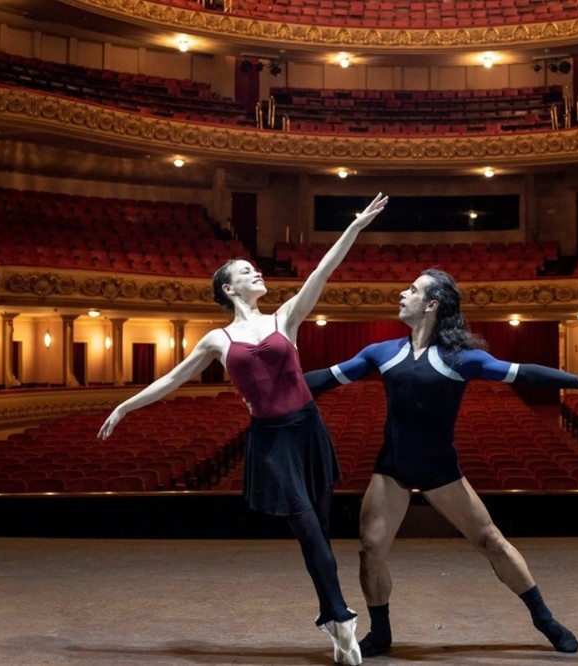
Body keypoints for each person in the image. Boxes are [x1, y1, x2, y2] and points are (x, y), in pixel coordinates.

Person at [98, 192, 389, 666]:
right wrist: (126, 406)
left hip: (307, 431)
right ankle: (339, 614)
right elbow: (173, 378)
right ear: (229, 289)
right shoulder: (219, 338)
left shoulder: (284, 318)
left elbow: (322, 273)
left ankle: (334, 624)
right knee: (307, 526)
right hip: (271, 441)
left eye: (255, 270)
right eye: (245, 272)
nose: (256, 273)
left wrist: (354, 228)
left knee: (317, 531)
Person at [304, 268, 578, 657]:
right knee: (370, 550)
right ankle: (381, 633)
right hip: (392, 470)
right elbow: (324, 380)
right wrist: (266, 387)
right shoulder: (382, 353)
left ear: (432, 305)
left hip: (440, 470)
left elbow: (523, 373)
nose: (402, 294)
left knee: (492, 541)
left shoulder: (461, 359)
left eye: (413, 290)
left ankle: (544, 619)